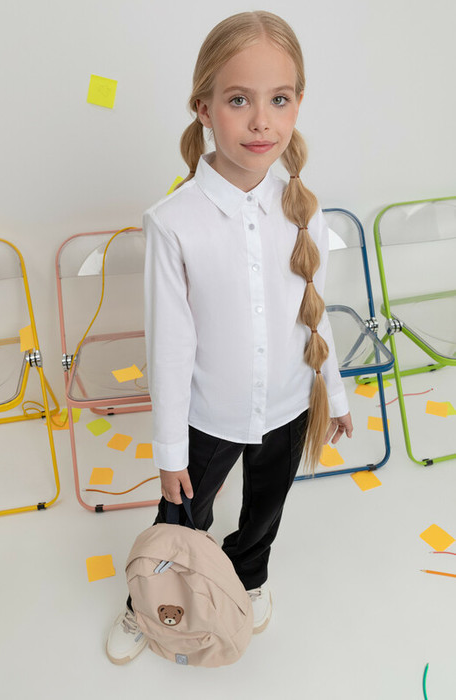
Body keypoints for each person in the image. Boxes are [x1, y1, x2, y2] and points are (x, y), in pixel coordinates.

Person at [106, 10, 353, 665]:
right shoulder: (173, 222)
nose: (262, 122)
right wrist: (169, 449)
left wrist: (335, 394)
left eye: (280, 100)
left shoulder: (305, 210)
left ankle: (248, 577)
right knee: (183, 518)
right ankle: (148, 602)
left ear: (299, 103)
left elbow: (314, 310)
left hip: (288, 407)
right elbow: (170, 347)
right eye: (239, 100)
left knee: (265, 511)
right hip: (207, 416)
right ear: (204, 108)